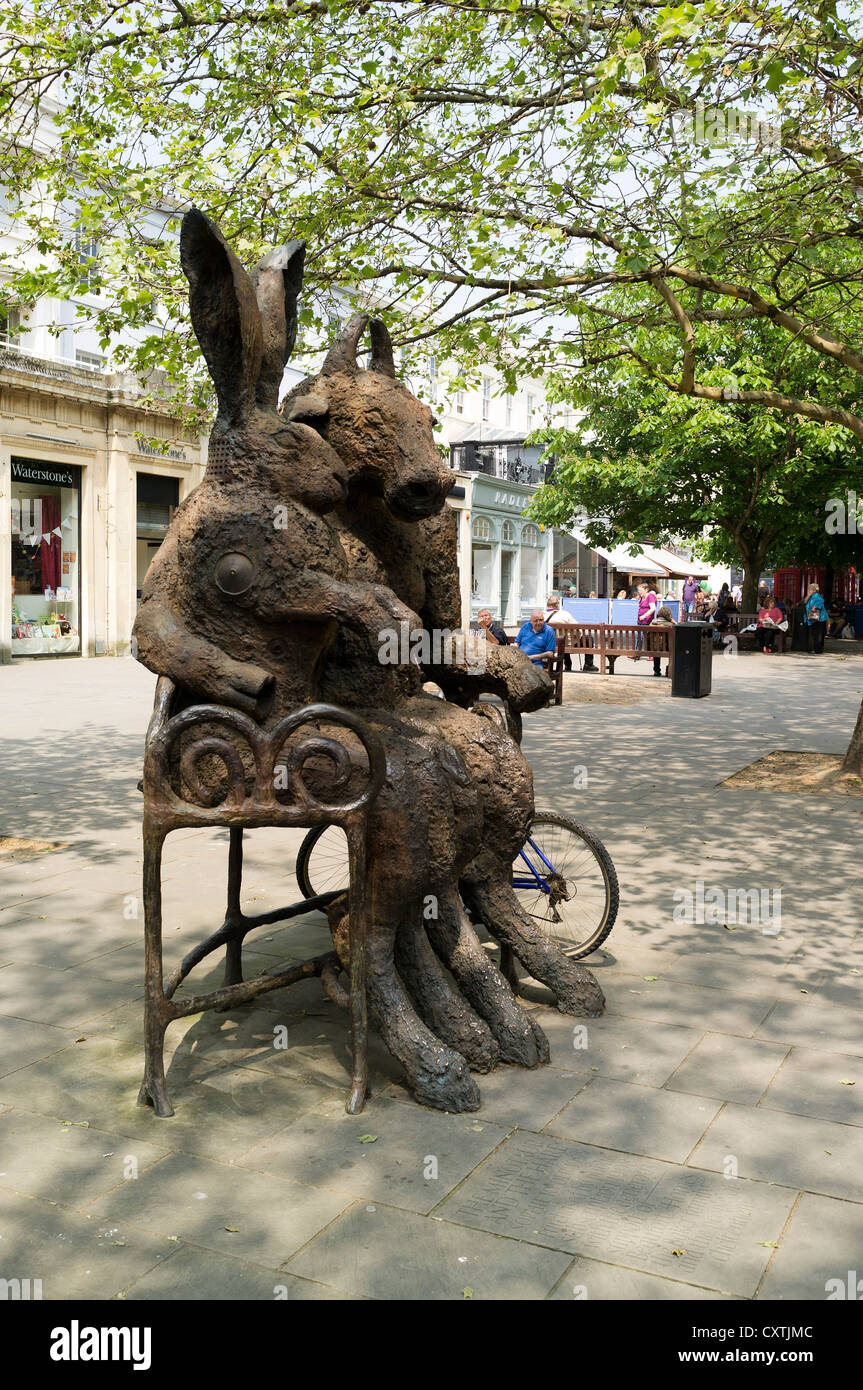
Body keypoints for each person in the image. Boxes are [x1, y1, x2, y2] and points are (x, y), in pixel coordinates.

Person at [545, 595, 576, 672]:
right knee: (588, 639)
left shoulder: (542, 616)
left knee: (560, 641)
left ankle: (551, 667)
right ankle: (588, 664)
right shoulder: (565, 614)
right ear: (557, 605)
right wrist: (576, 638)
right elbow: (576, 628)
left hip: (548, 643)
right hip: (566, 643)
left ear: (548, 605)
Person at [649, 604, 674, 677]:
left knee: (657, 646)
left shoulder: (652, 623)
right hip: (667, 648)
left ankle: (656, 671)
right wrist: (674, 622)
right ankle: (668, 669)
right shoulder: (670, 625)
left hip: (653, 647)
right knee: (672, 648)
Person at [804, 582, 829, 653]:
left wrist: (815, 606)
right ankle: (817, 649)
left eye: (810, 590)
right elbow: (804, 602)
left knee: (818, 635)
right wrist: (808, 595)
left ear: (814, 590)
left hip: (820, 618)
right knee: (815, 634)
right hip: (813, 619)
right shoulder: (811, 596)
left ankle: (818, 650)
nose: (809, 591)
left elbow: (821, 601)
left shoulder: (817, 596)